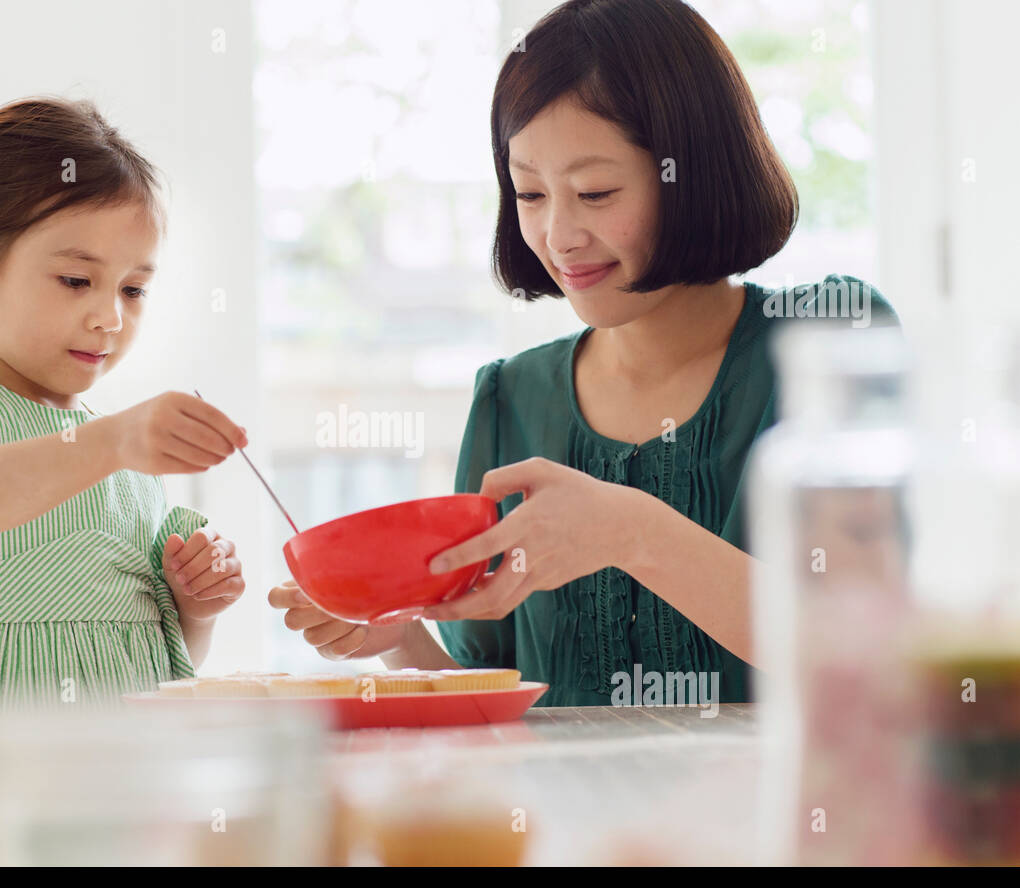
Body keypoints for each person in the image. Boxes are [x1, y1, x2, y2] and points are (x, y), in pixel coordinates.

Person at [269, 0, 899, 706]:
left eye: (595, 192)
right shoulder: (510, 399)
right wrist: (400, 641)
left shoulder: (831, 342)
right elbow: (505, 710)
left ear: (688, 172)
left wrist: (631, 531)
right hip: (567, 819)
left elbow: (870, 660)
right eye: (530, 193)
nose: (558, 235)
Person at [0, 97, 248, 718]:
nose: (109, 317)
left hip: (123, 779)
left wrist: (196, 608)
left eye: (133, 289)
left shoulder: (123, 456)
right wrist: (114, 442)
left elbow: (156, 652)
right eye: (77, 280)